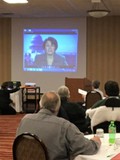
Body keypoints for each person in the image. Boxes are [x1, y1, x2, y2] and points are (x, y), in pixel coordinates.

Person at [16, 91, 101, 160]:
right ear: (58, 107)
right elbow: (88, 148)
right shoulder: (64, 126)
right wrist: (95, 142)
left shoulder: (25, 119)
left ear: (40, 104)